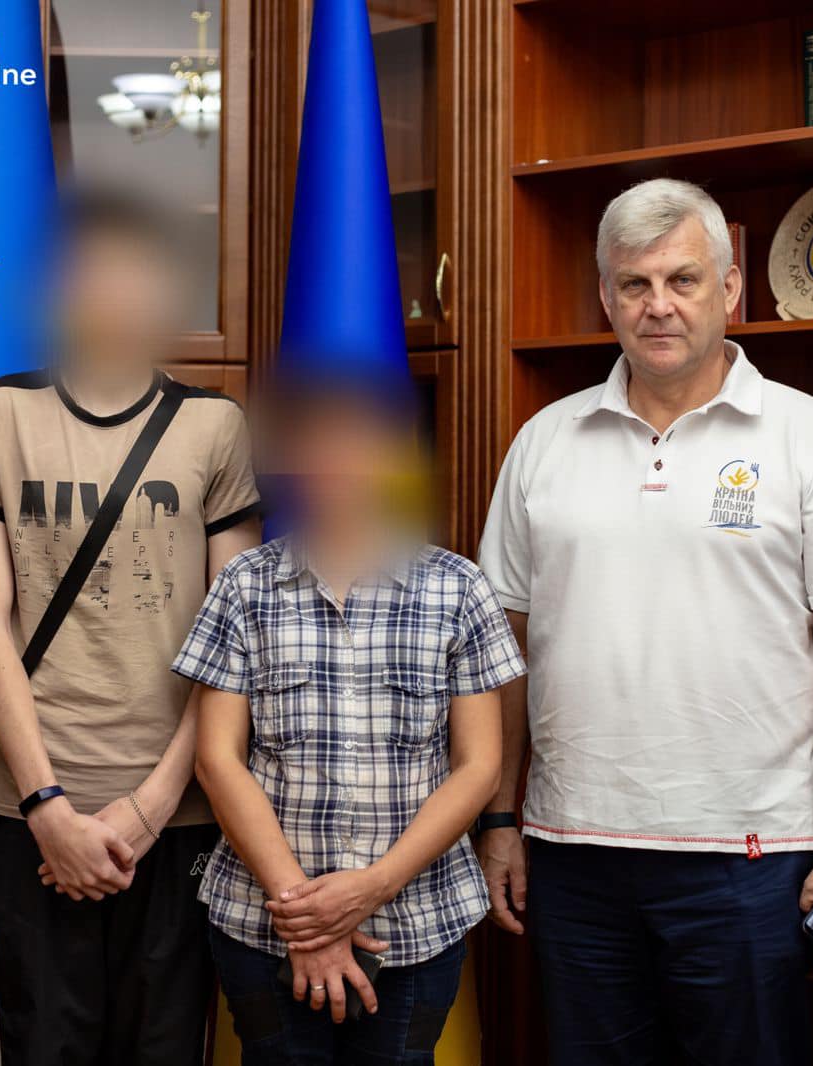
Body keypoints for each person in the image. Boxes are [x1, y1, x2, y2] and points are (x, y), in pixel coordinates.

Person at [475, 177, 813, 1066]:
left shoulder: (811, 437)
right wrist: (500, 819)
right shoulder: (543, 442)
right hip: (572, 849)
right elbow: (501, 652)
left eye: (683, 279)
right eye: (634, 284)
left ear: (730, 287)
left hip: (751, 855)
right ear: (606, 296)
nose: (657, 304)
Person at [0, 190, 262, 1066]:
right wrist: (47, 807)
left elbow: (235, 638)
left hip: (181, 817)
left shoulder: (214, 425)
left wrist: (149, 809)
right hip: (30, 812)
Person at [175, 383, 525, 1064]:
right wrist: (306, 916)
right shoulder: (245, 584)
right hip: (264, 922)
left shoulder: (458, 587)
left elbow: (479, 767)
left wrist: (372, 888)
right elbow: (217, 759)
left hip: (415, 922)